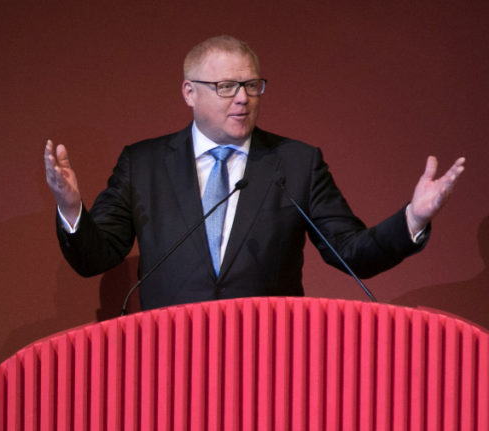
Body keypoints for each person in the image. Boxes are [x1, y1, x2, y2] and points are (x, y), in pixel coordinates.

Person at [44, 35, 465, 311]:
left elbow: (351, 251)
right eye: (226, 86)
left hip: (268, 357)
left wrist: (413, 218)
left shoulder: (296, 162)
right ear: (189, 92)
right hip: (168, 356)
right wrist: (70, 207)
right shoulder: (144, 163)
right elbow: (97, 257)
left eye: (252, 85)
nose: (243, 98)